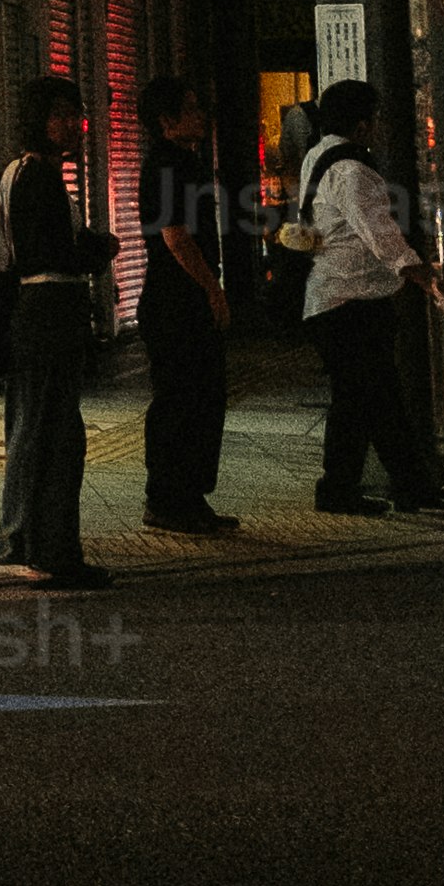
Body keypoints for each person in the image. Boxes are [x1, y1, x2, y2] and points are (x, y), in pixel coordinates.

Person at [294, 79, 444, 515]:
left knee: (368, 402)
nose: (384, 126)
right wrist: (429, 279)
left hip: (334, 297)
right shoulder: (354, 172)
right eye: (379, 117)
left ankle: (396, 488)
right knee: (371, 402)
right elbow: (382, 238)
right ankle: (361, 490)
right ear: (364, 125)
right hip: (352, 301)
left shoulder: (318, 155)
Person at [0, 77, 114, 588]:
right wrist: (96, 250)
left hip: (40, 312)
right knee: (48, 431)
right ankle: (34, 546)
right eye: (61, 114)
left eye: (75, 113)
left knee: (51, 429)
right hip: (47, 312)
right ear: (38, 119)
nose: (73, 124)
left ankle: (42, 544)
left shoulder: (27, 174)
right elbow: (49, 252)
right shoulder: (35, 175)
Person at [135, 71, 241, 539]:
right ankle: (167, 499)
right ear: (167, 120)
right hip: (174, 299)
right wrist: (211, 287)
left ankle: (190, 497)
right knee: (181, 400)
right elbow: (174, 235)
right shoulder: (165, 166)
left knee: (203, 398)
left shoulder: (185, 161)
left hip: (184, 295)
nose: (202, 115)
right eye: (192, 108)